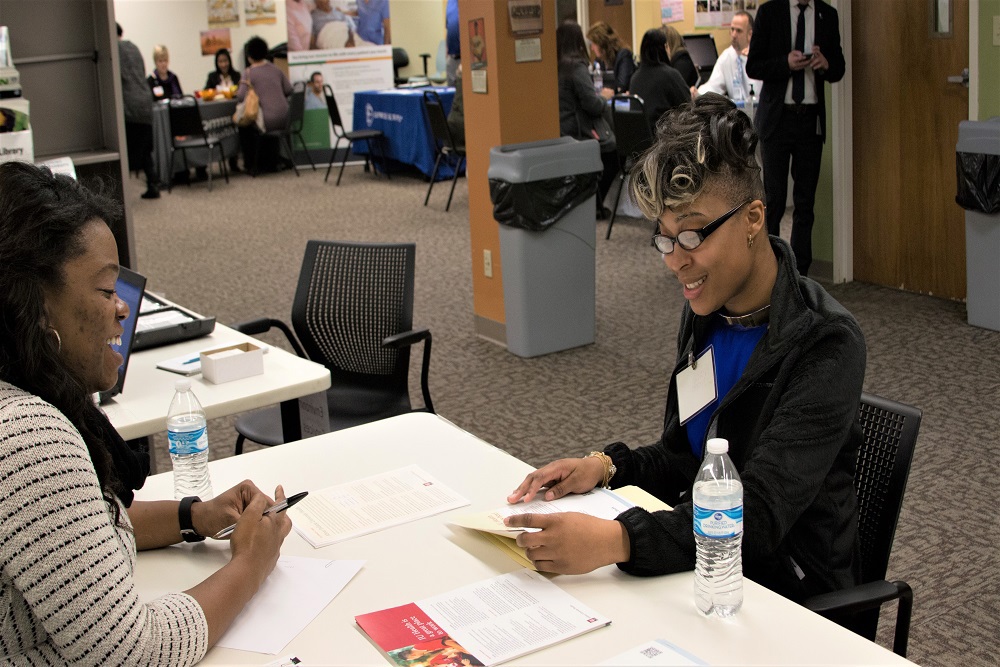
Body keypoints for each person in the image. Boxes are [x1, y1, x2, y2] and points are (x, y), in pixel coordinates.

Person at [505, 95, 865, 609]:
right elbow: (685, 456)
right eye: (666, 239)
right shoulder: (707, 313)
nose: (676, 261)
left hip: (790, 596)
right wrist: (605, 467)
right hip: (707, 571)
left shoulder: (825, 341)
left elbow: (757, 514)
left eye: (693, 234)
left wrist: (617, 541)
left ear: (754, 218)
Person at [0, 161, 292, 663]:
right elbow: (136, 654)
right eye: (106, 290)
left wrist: (192, 517)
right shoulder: (28, 436)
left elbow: (68, 533)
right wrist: (251, 562)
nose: (122, 310)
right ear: (37, 306)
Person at [746, 0, 845, 277]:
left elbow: (838, 68)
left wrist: (825, 64)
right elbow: (753, 66)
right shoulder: (769, 12)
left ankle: (800, 274)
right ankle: (770, 270)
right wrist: (786, 63)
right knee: (774, 201)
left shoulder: (828, 15)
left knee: (805, 202)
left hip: (810, 119)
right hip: (778, 119)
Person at [556, 21, 618, 220]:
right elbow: (591, 104)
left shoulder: (554, 66)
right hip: (579, 131)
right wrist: (605, 98)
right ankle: (594, 205)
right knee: (614, 153)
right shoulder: (576, 66)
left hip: (562, 130)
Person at [237, 36, 293, 173]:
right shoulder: (276, 69)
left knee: (244, 124)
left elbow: (240, 96)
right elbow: (289, 89)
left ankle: (252, 165)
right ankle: (273, 160)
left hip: (267, 121)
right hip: (286, 118)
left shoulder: (248, 73)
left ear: (249, 56)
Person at [116, 23, 159, 200]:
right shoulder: (133, 47)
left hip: (129, 104)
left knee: (128, 153)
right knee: (146, 149)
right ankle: (153, 184)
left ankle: (122, 194)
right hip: (145, 100)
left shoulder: (114, 50)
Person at [628, 28, 691, 127]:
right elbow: (688, 106)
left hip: (642, 138)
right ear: (665, 47)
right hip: (665, 137)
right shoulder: (670, 75)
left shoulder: (634, 78)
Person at [695, 11, 762, 102]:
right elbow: (713, 86)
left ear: (750, 34)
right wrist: (697, 93)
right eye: (732, 29)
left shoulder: (759, 55)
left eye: (738, 31)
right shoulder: (727, 56)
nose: (733, 35)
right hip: (736, 112)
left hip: (758, 110)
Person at [586, 21, 635, 94]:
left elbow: (622, 86)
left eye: (593, 43)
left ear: (601, 43)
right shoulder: (599, 61)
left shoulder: (624, 55)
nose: (592, 48)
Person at [445, 0, 460, 86]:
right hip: (452, 58)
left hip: (465, 59)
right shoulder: (450, 2)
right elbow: (449, 28)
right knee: (451, 94)